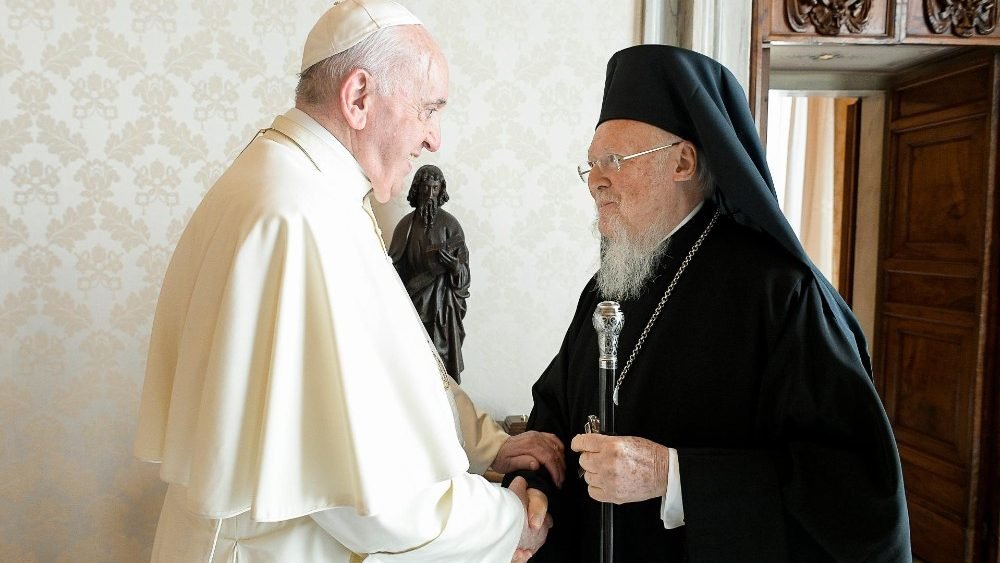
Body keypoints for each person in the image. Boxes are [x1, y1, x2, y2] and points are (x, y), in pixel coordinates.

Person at [133, 1, 563, 561]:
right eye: (428, 110)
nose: (434, 139)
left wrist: (486, 444)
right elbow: (370, 501)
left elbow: (387, 366)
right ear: (358, 97)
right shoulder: (301, 217)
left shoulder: (301, 181)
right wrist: (508, 524)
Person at [506, 45, 912, 562]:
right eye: (590, 165)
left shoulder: (781, 294)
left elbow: (855, 492)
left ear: (682, 161)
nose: (595, 182)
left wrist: (673, 476)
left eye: (614, 161)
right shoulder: (608, 285)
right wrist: (533, 486)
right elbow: (557, 413)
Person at [389, 164, 471, 382]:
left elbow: (464, 275)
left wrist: (454, 267)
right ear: (417, 189)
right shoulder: (405, 226)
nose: (430, 194)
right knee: (412, 365)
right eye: (425, 188)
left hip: (441, 310)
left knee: (440, 368)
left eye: (435, 189)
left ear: (441, 190)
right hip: (411, 306)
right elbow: (392, 267)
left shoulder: (450, 225)